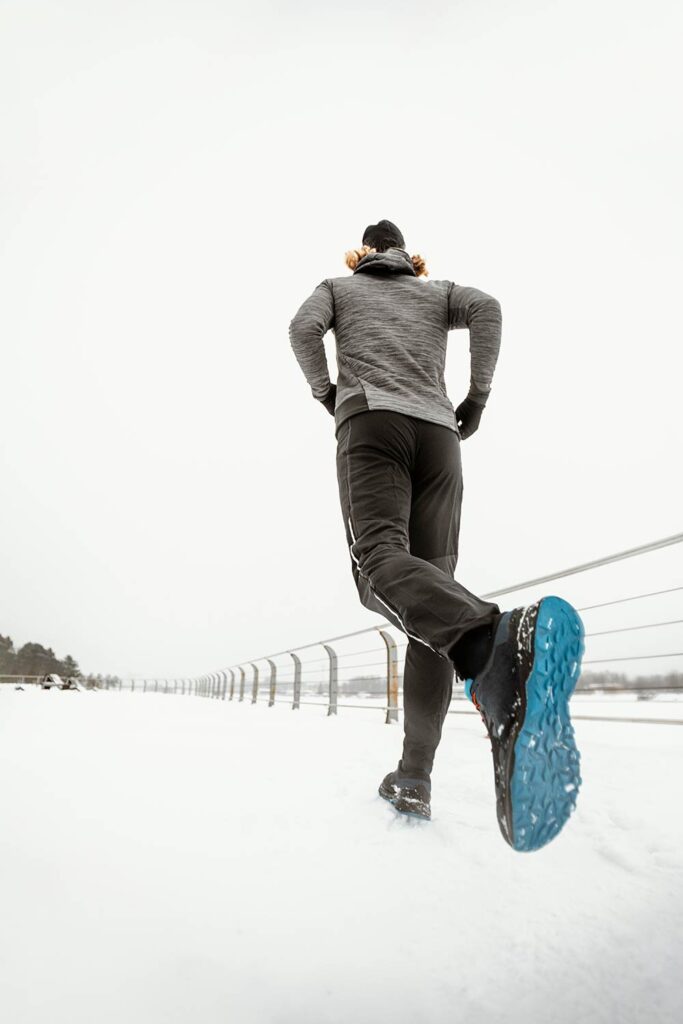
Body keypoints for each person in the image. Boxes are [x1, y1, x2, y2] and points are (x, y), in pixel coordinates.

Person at [289, 219, 584, 852]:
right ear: (408, 257)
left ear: (364, 254)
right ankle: (415, 775)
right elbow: (488, 307)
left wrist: (328, 393)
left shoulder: (338, 288)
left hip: (373, 425)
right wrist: (476, 397)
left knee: (378, 568)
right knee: (430, 600)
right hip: (440, 438)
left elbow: (301, 330)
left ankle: (490, 644)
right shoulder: (439, 290)